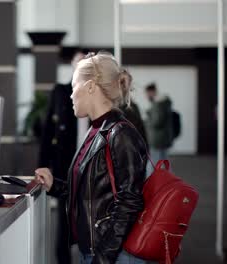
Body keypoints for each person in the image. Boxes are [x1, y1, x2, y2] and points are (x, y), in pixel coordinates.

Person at [35, 52, 147, 264]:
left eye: (74, 86)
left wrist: (103, 258)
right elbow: (92, 192)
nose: (70, 94)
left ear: (90, 87)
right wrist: (55, 186)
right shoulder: (97, 130)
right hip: (97, 250)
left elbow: (130, 203)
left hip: (112, 255)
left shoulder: (120, 134)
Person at [38, 49, 85, 264]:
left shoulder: (98, 99)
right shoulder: (61, 91)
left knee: (88, 220)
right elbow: (48, 129)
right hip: (66, 165)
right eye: (77, 62)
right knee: (64, 225)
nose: (80, 65)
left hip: (91, 166)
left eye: (84, 62)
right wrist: (42, 164)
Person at [144, 83, 173, 167]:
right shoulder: (163, 103)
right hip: (163, 138)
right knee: (164, 161)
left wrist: (147, 120)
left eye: (147, 93)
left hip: (157, 139)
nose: (146, 96)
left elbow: (157, 122)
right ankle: (168, 179)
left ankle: (153, 179)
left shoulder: (158, 104)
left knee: (154, 163)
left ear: (152, 92)